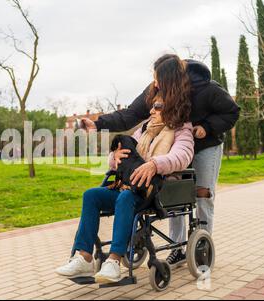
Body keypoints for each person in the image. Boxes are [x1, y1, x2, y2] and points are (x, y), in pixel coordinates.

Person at [81, 54, 240, 268]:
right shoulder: (155, 90)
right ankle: (177, 249)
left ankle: (203, 245)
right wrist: (97, 124)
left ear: (171, 80)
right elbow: (130, 115)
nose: (155, 84)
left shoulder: (206, 89)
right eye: (154, 79)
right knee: (173, 192)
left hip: (205, 144)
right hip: (172, 143)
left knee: (202, 195)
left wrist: (207, 127)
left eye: (158, 79)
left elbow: (232, 111)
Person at [56, 55, 194, 283]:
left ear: (171, 104)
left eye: (157, 106)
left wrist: (154, 164)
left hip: (153, 192)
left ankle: (114, 261)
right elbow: (121, 157)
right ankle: (84, 257)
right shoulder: (145, 130)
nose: (151, 110)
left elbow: (182, 156)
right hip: (129, 187)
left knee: (125, 199)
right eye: (152, 106)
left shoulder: (181, 129)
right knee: (91, 196)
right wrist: (114, 157)